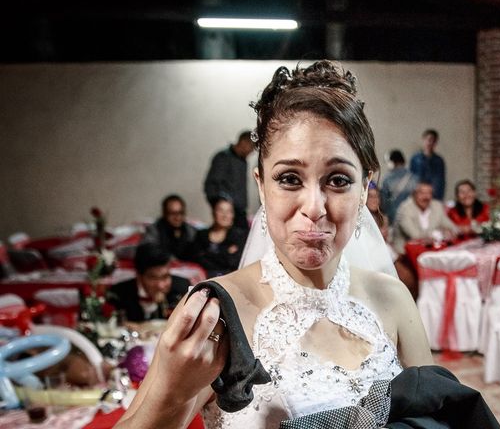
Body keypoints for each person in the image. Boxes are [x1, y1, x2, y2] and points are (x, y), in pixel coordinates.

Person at [115, 61, 432, 429]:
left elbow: (438, 413)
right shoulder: (216, 315)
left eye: (339, 179)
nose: (314, 208)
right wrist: (172, 391)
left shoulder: (392, 299)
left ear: (365, 188)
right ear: (261, 185)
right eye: (290, 178)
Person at [107, 243, 190, 323]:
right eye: (153, 278)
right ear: (139, 276)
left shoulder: (182, 288)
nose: (160, 285)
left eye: (165, 277)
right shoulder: (118, 294)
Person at [203, 130, 255, 230]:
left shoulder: (243, 161)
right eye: (251, 148)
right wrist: (221, 205)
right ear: (244, 143)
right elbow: (211, 186)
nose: (251, 152)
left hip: (239, 211)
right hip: (227, 211)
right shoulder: (223, 158)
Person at [189, 195, 248, 278]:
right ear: (213, 212)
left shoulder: (239, 236)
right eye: (221, 210)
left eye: (229, 211)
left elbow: (233, 263)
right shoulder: (202, 235)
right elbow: (196, 258)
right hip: (203, 278)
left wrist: (208, 254)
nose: (225, 215)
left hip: (230, 279)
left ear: (233, 215)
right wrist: (225, 253)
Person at [392, 182, 458, 255]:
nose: (425, 197)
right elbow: (415, 236)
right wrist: (439, 234)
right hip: (405, 253)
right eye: (422, 193)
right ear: (414, 194)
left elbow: (452, 227)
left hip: (430, 250)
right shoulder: (405, 209)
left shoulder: (437, 206)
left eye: (429, 193)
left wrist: (451, 231)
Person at [142, 194, 197, 261]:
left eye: (181, 213)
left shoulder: (190, 230)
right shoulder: (155, 229)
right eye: (173, 213)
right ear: (165, 213)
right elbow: (148, 249)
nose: (178, 217)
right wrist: (169, 258)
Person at [380, 149, 417, 224]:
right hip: (412, 217)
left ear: (392, 162)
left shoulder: (387, 179)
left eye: (387, 162)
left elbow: (383, 202)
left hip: (394, 217)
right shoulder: (414, 178)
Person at [409, 129, 446, 200]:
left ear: (436, 143)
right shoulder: (415, 159)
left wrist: (438, 197)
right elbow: (412, 178)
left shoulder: (439, 160)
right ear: (423, 140)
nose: (430, 143)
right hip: (418, 195)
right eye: (428, 140)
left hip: (434, 196)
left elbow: (440, 181)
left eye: (433, 140)